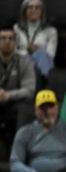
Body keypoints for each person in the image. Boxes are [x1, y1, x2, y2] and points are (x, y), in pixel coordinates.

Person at [0, 24, 35, 161]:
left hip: (16, 104)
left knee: (25, 109)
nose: (7, 42)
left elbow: (30, 90)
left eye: (11, 38)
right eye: (3, 38)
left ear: (16, 42)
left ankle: (19, 154)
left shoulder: (24, 60)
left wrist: (8, 95)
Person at [14, 0, 57, 77]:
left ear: (42, 11)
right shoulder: (16, 28)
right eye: (30, 7)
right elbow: (13, 52)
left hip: (42, 65)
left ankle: (43, 83)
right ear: (24, 11)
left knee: (41, 54)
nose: (33, 10)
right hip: (21, 63)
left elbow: (51, 55)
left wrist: (37, 50)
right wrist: (27, 50)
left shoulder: (51, 31)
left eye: (37, 7)